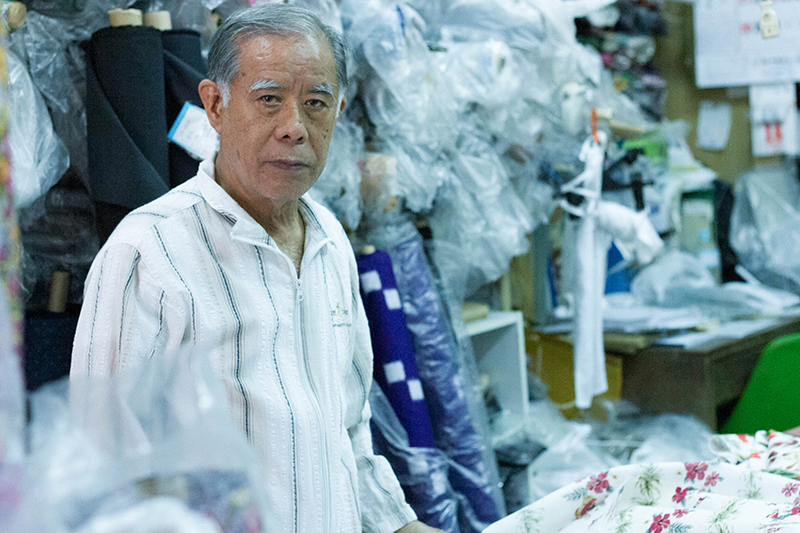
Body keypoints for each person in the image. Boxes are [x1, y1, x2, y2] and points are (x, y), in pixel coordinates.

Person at [71, 5, 443, 532]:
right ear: (215, 105)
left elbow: (346, 434)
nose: (294, 128)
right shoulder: (148, 252)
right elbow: (104, 466)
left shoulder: (330, 240)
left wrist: (400, 525)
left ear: (337, 112)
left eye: (315, 104)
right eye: (269, 99)